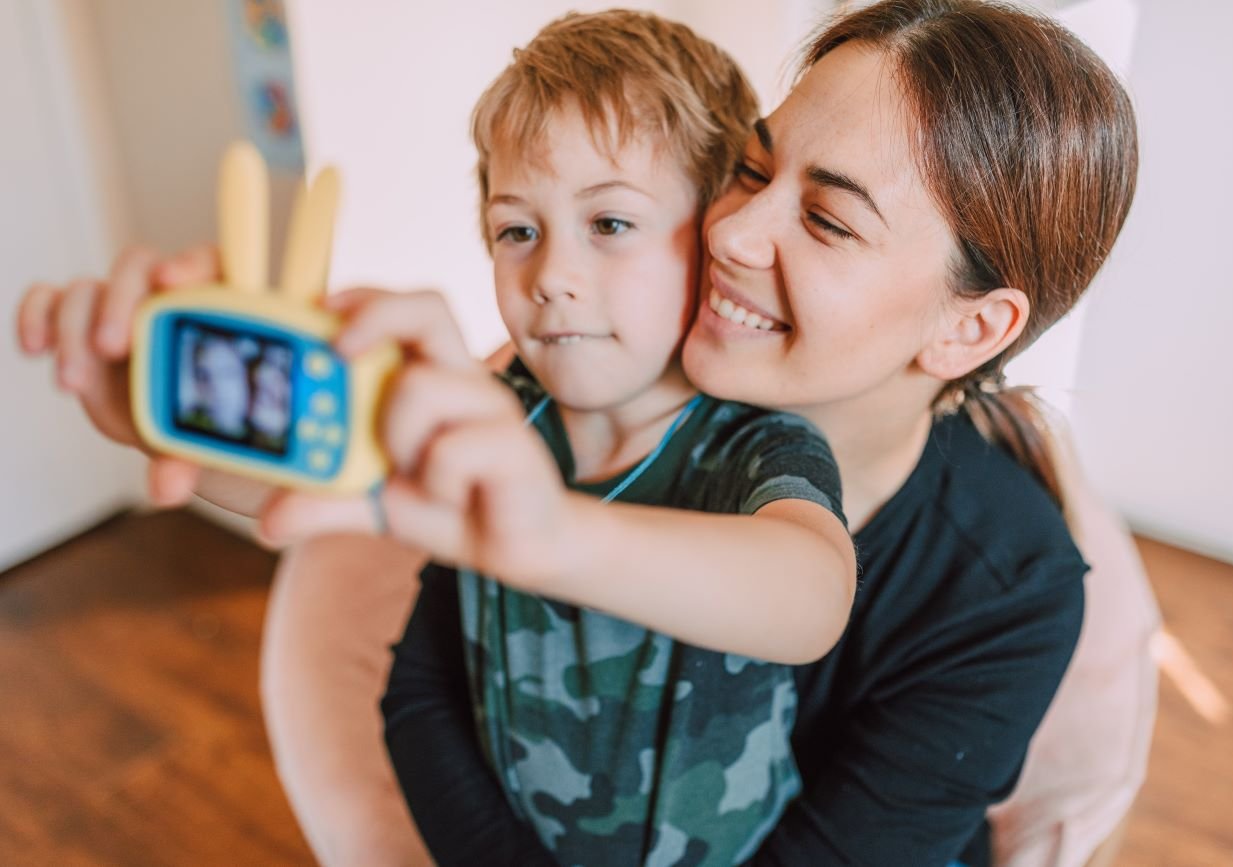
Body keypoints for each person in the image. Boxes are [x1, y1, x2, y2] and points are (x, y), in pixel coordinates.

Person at [15, 1, 1157, 865]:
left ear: (971, 327)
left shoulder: (1003, 578)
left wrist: (548, 534)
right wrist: (155, 394)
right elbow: (418, 681)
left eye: (823, 217)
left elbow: (807, 600)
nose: (736, 225)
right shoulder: (574, 398)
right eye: (751, 168)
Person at [264, 11, 854, 866]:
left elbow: (812, 595)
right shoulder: (488, 411)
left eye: (609, 224)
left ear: (716, 233)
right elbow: (300, 474)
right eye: (517, 231)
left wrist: (555, 533)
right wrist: (177, 411)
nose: (551, 277)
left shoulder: (753, 443)